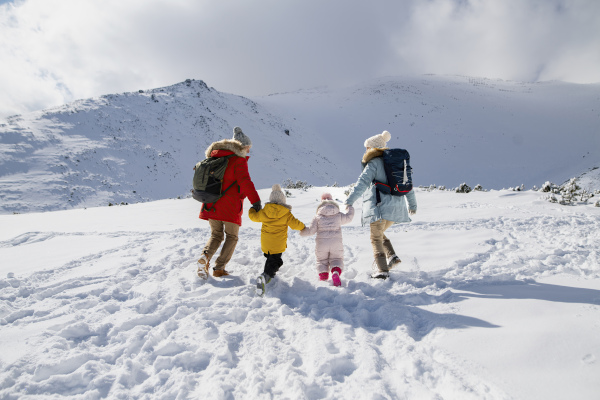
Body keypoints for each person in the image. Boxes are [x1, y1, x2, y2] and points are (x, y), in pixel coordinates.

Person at [344, 130, 417, 279]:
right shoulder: (395, 165)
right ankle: (392, 257)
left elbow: (362, 183)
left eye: (367, 147)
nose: (365, 150)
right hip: (397, 210)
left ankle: (382, 270)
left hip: (379, 208)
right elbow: (407, 185)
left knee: (375, 238)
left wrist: (349, 201)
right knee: (379, 233)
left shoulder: (374, 164)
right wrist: (412, 205)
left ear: (373, 148)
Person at [197, 126, 262, 278]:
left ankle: (204, 258)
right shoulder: (238, 161)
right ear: (242, 147)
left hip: (211, 203)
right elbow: (246, 182)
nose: (248, 151)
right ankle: (219, 268)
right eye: (248, 148)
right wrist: (256, 201)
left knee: (216, 235)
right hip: (230, 206)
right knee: (231, 237)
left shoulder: (215, 157)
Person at [248, 184, 305, 293]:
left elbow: (253, 217)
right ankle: (265, 276)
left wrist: (252, 209)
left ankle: (266, 274)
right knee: (277, 261)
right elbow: (295, 224)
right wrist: (303, 227)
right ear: (283, 200)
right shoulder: (286, 213)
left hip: (266, 243)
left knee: (270, 258)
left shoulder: (264, 211)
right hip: (277, 244)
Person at [300, 192, 354, 286]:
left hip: (322, 244)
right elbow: (349, 218)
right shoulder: (338, 215)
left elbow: (311, 231)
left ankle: (323, 277)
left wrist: (301, 231)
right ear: (332, 201)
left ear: (321, 202)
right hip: (336, 243)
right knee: (336, 259)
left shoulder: (317, 216)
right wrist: (350, 207)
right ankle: (335, 272)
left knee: (321, 261)